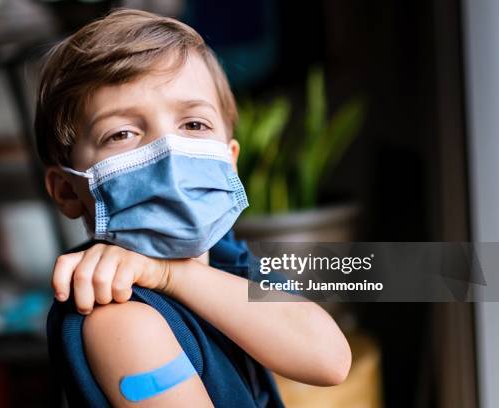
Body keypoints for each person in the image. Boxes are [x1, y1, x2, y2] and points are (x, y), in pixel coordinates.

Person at [36, 8, 351, 407]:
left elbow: (330, 360)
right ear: (66, 189)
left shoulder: (227, 258)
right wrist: (165, 278)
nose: (169, 151)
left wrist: (171, 274)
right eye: (122, 133)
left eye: (194, 125)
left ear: (229, 162)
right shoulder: (118, 318)